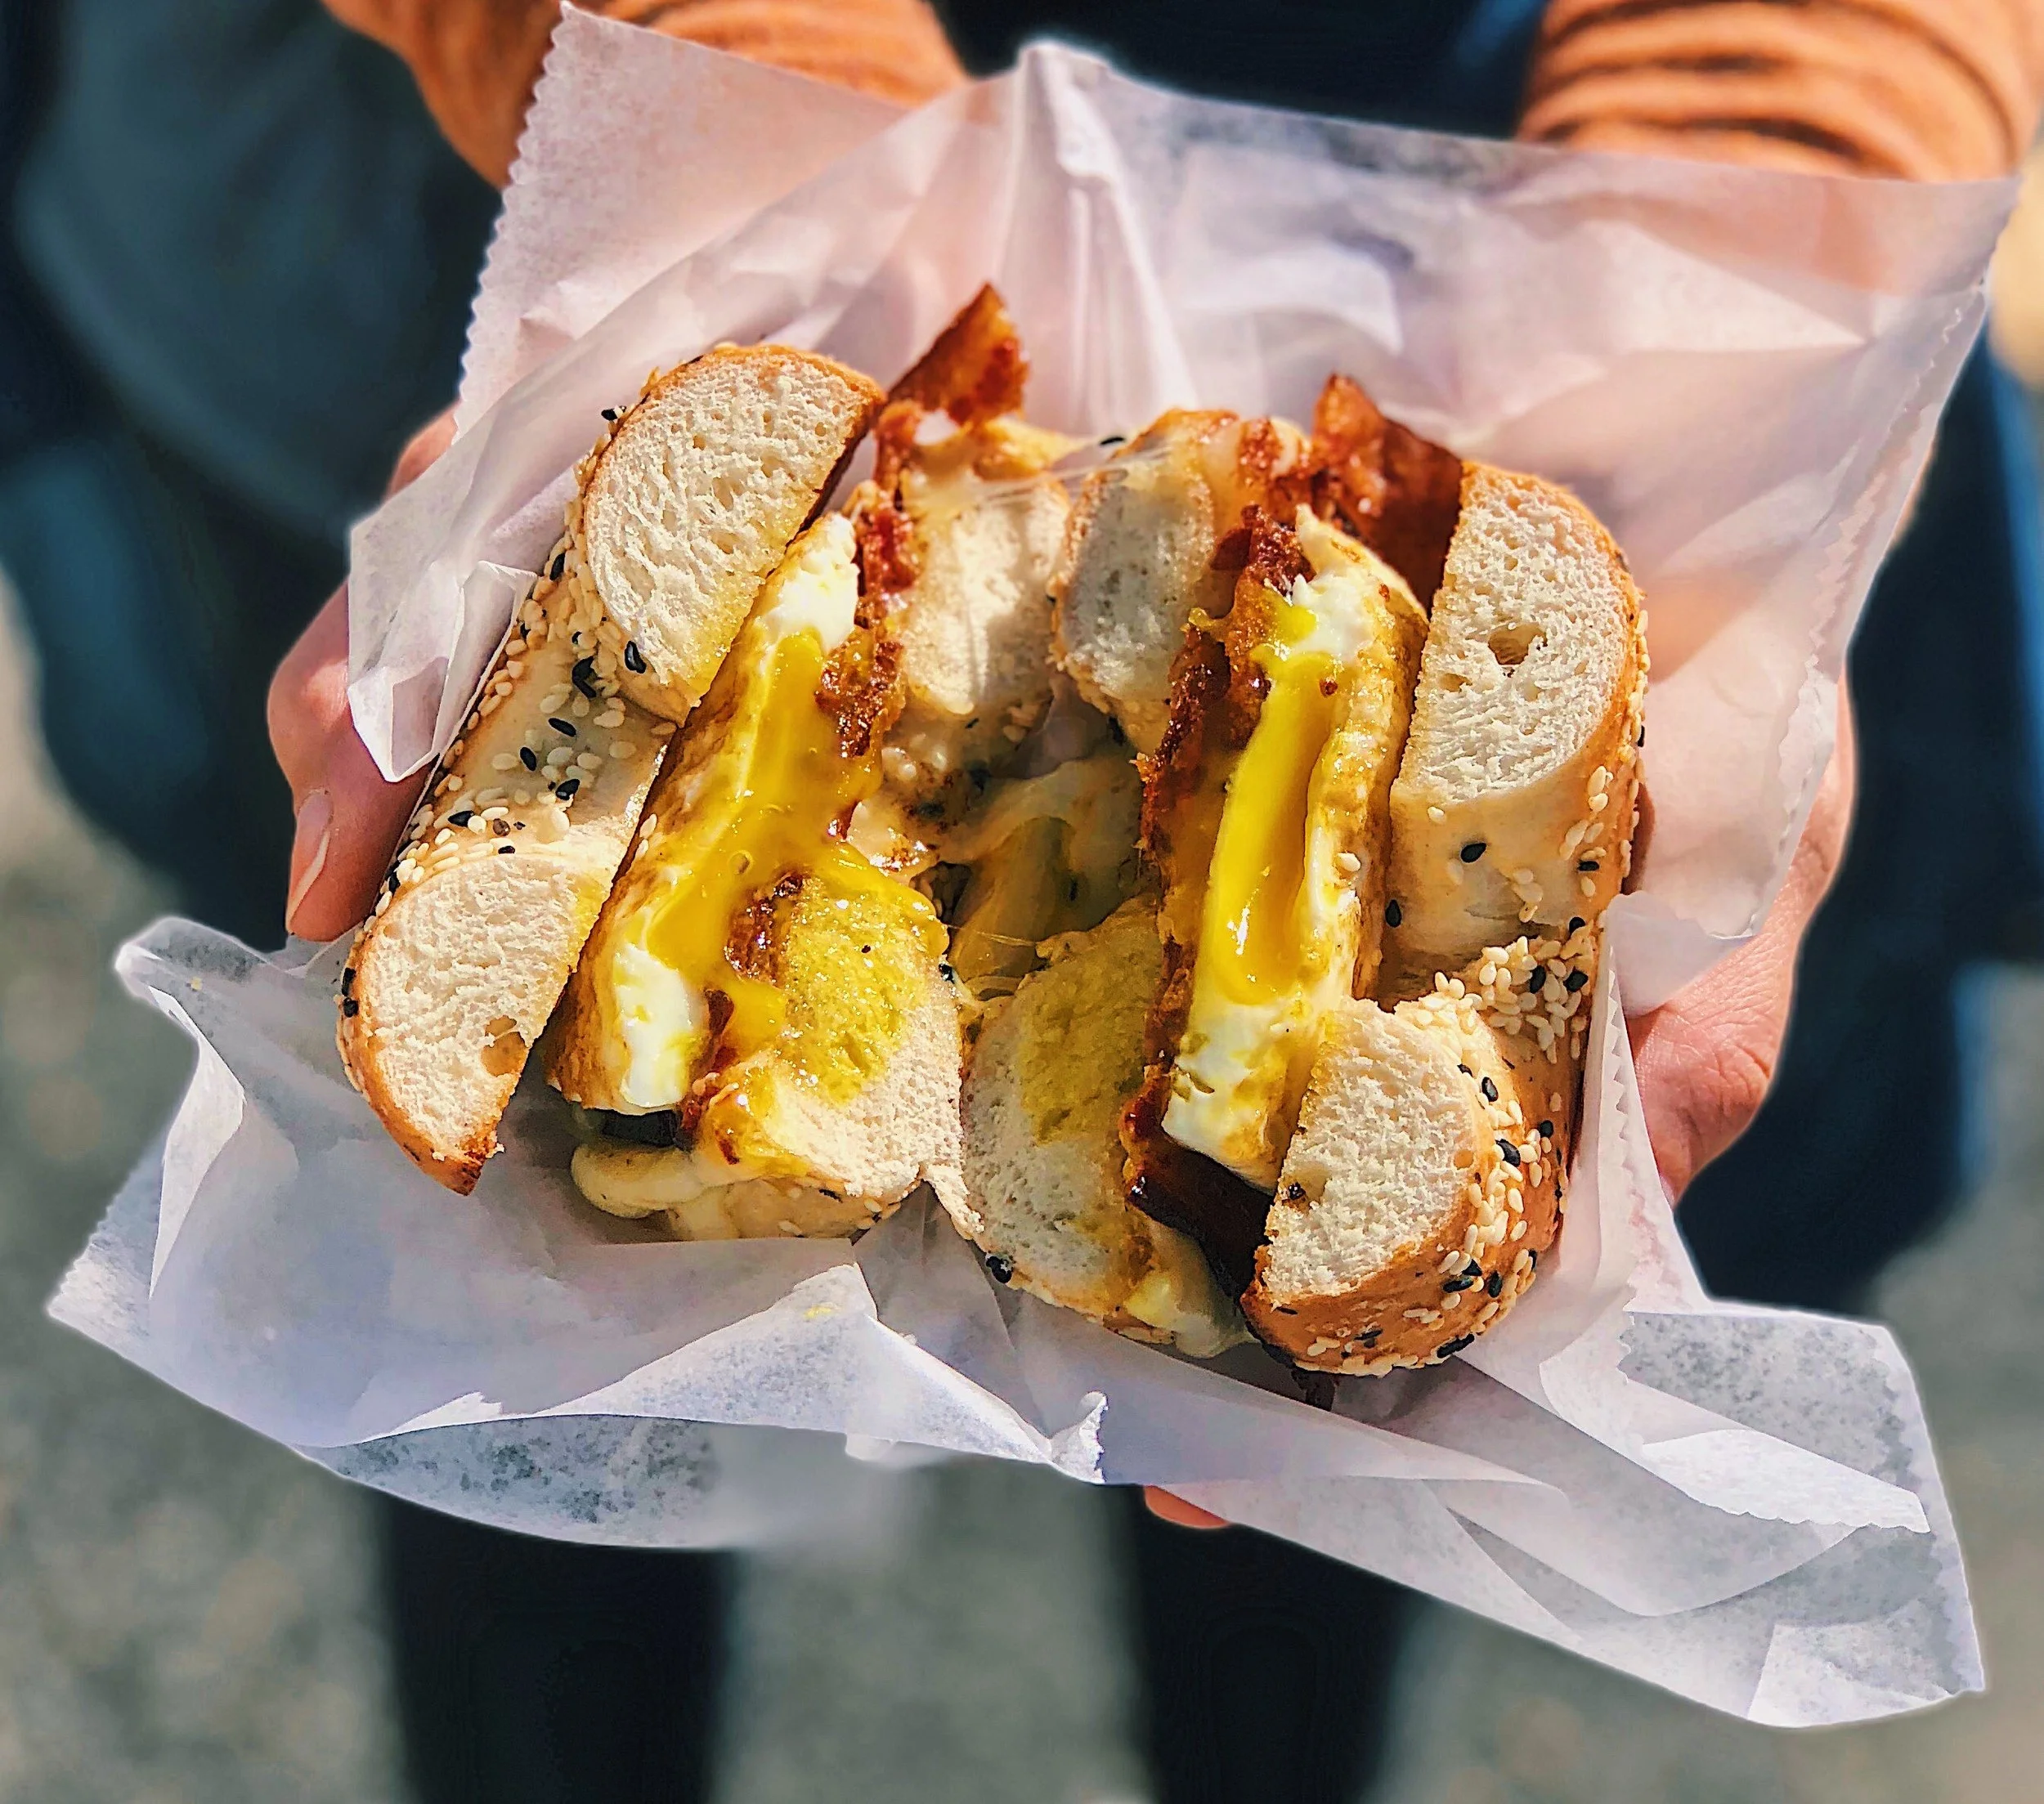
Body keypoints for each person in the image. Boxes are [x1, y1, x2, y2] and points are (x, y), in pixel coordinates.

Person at [6, 2, 2038, 1799]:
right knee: (510, 1380)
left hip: (1471, 175)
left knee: (1271, 1453)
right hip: (406, 245)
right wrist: (738, 124)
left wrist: (1737, 269)